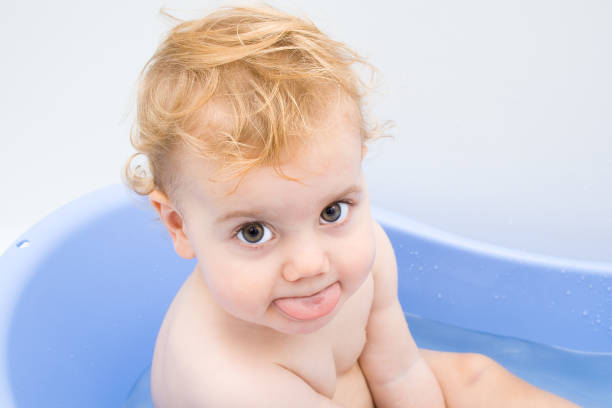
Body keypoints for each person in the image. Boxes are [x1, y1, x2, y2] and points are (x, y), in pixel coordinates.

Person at [124, 5, 578, 407]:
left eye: (332, 211)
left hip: (359, 385)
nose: (309, 264)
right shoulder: (227, 383)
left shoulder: (367, 255)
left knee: (476, 377)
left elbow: (398, 372)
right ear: (179, 225)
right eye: (254, 232)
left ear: (358, 171)